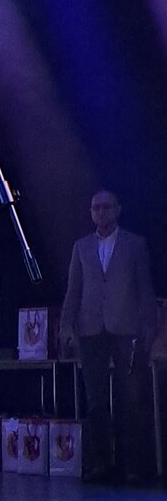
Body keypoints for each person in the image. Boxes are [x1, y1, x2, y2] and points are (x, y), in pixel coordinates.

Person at [59, 190, 155, 482]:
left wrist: (149, 328)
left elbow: (144, 289)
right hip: (91, 330)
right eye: (96, 208)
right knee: (96, 401)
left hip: (125, 329)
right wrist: (66, 328)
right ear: (91, 212)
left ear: (118, 209)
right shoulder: (82, 246)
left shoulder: (135, 244)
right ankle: (101, 463)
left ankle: (132, 466)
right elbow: (73, 290)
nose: (101, 212)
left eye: (106, 207)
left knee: (130, 399)